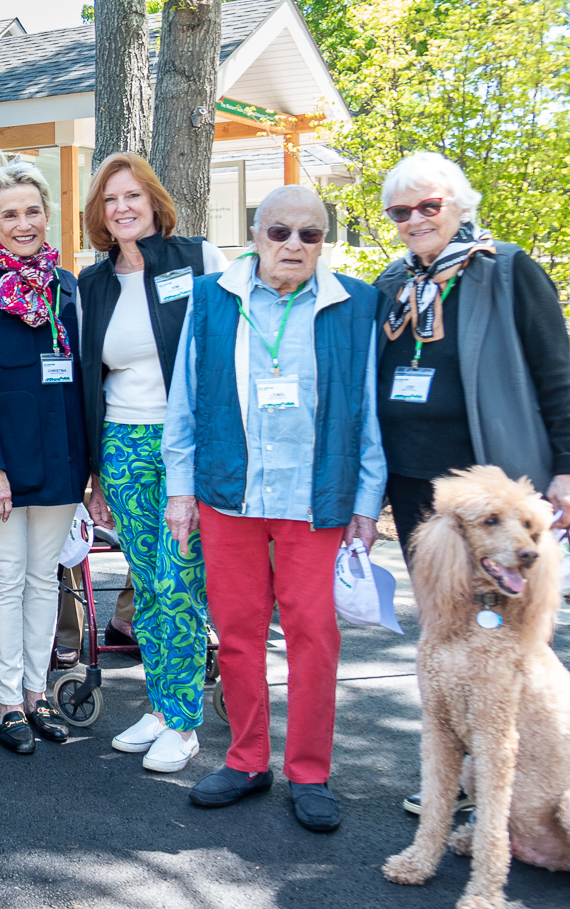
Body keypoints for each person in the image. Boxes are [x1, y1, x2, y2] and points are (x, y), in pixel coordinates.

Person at [373, 152, 570, 817]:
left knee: (499, 640)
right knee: (444, 637)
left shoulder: (507, 270)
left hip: (493, 491)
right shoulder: (395, 283)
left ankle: (518, 780)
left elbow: (555, 370)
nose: (415, 220)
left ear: (460, 205)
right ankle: (455, 775)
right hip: (420, 495)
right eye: (401, 212)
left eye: (428, 206)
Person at [162, 185, 386, 833]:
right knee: (236, 633)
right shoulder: (212, 299)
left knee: (315, 639)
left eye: (309, 235)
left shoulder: (355, 304)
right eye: (279, 232)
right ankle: (246, 759)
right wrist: (181, 492)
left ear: (324, 243)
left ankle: (310, 772)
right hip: (231, 492)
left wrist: (367, 504)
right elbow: (185, 403)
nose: (293, 245)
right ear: (255, 233)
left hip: (315, 499)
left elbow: (365, 412)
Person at [75, 152, 227, 774]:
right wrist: (91, 469)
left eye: (133, 195)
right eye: (111, 199)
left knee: (177, 583)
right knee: (147, 582)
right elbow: (88, 379)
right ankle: (162, 709)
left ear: (154, 201)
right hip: (123, 444)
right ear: (99, 214)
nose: (123, 207)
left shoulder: (198, 261)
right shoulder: (93, 284)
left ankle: (186, 723)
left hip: (184, 443)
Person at [0, 162, 87, 755]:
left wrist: (89, 467)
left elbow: (83, 381)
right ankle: (8, 701)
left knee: (42, 578)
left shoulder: (68, 288)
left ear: (47, 215)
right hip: (2, 465)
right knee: (5, 580)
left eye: (32, 211)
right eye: (10, 213)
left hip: (59, 458)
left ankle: (38, 695)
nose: (22, 223)